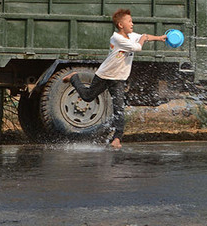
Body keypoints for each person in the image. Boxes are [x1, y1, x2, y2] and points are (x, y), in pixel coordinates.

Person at [63, 8, 167, 149]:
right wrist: (142, 39)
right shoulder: (117, 39)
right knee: (87, 96)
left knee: (119, 108)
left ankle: (117, 138)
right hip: (104, 75)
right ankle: (74, 77)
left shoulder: (130, 36)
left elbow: (144, 36)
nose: (132, 24)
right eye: (129, 21)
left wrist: (159, 38)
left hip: (118, 79)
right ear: (120, 25)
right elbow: (137, 47)